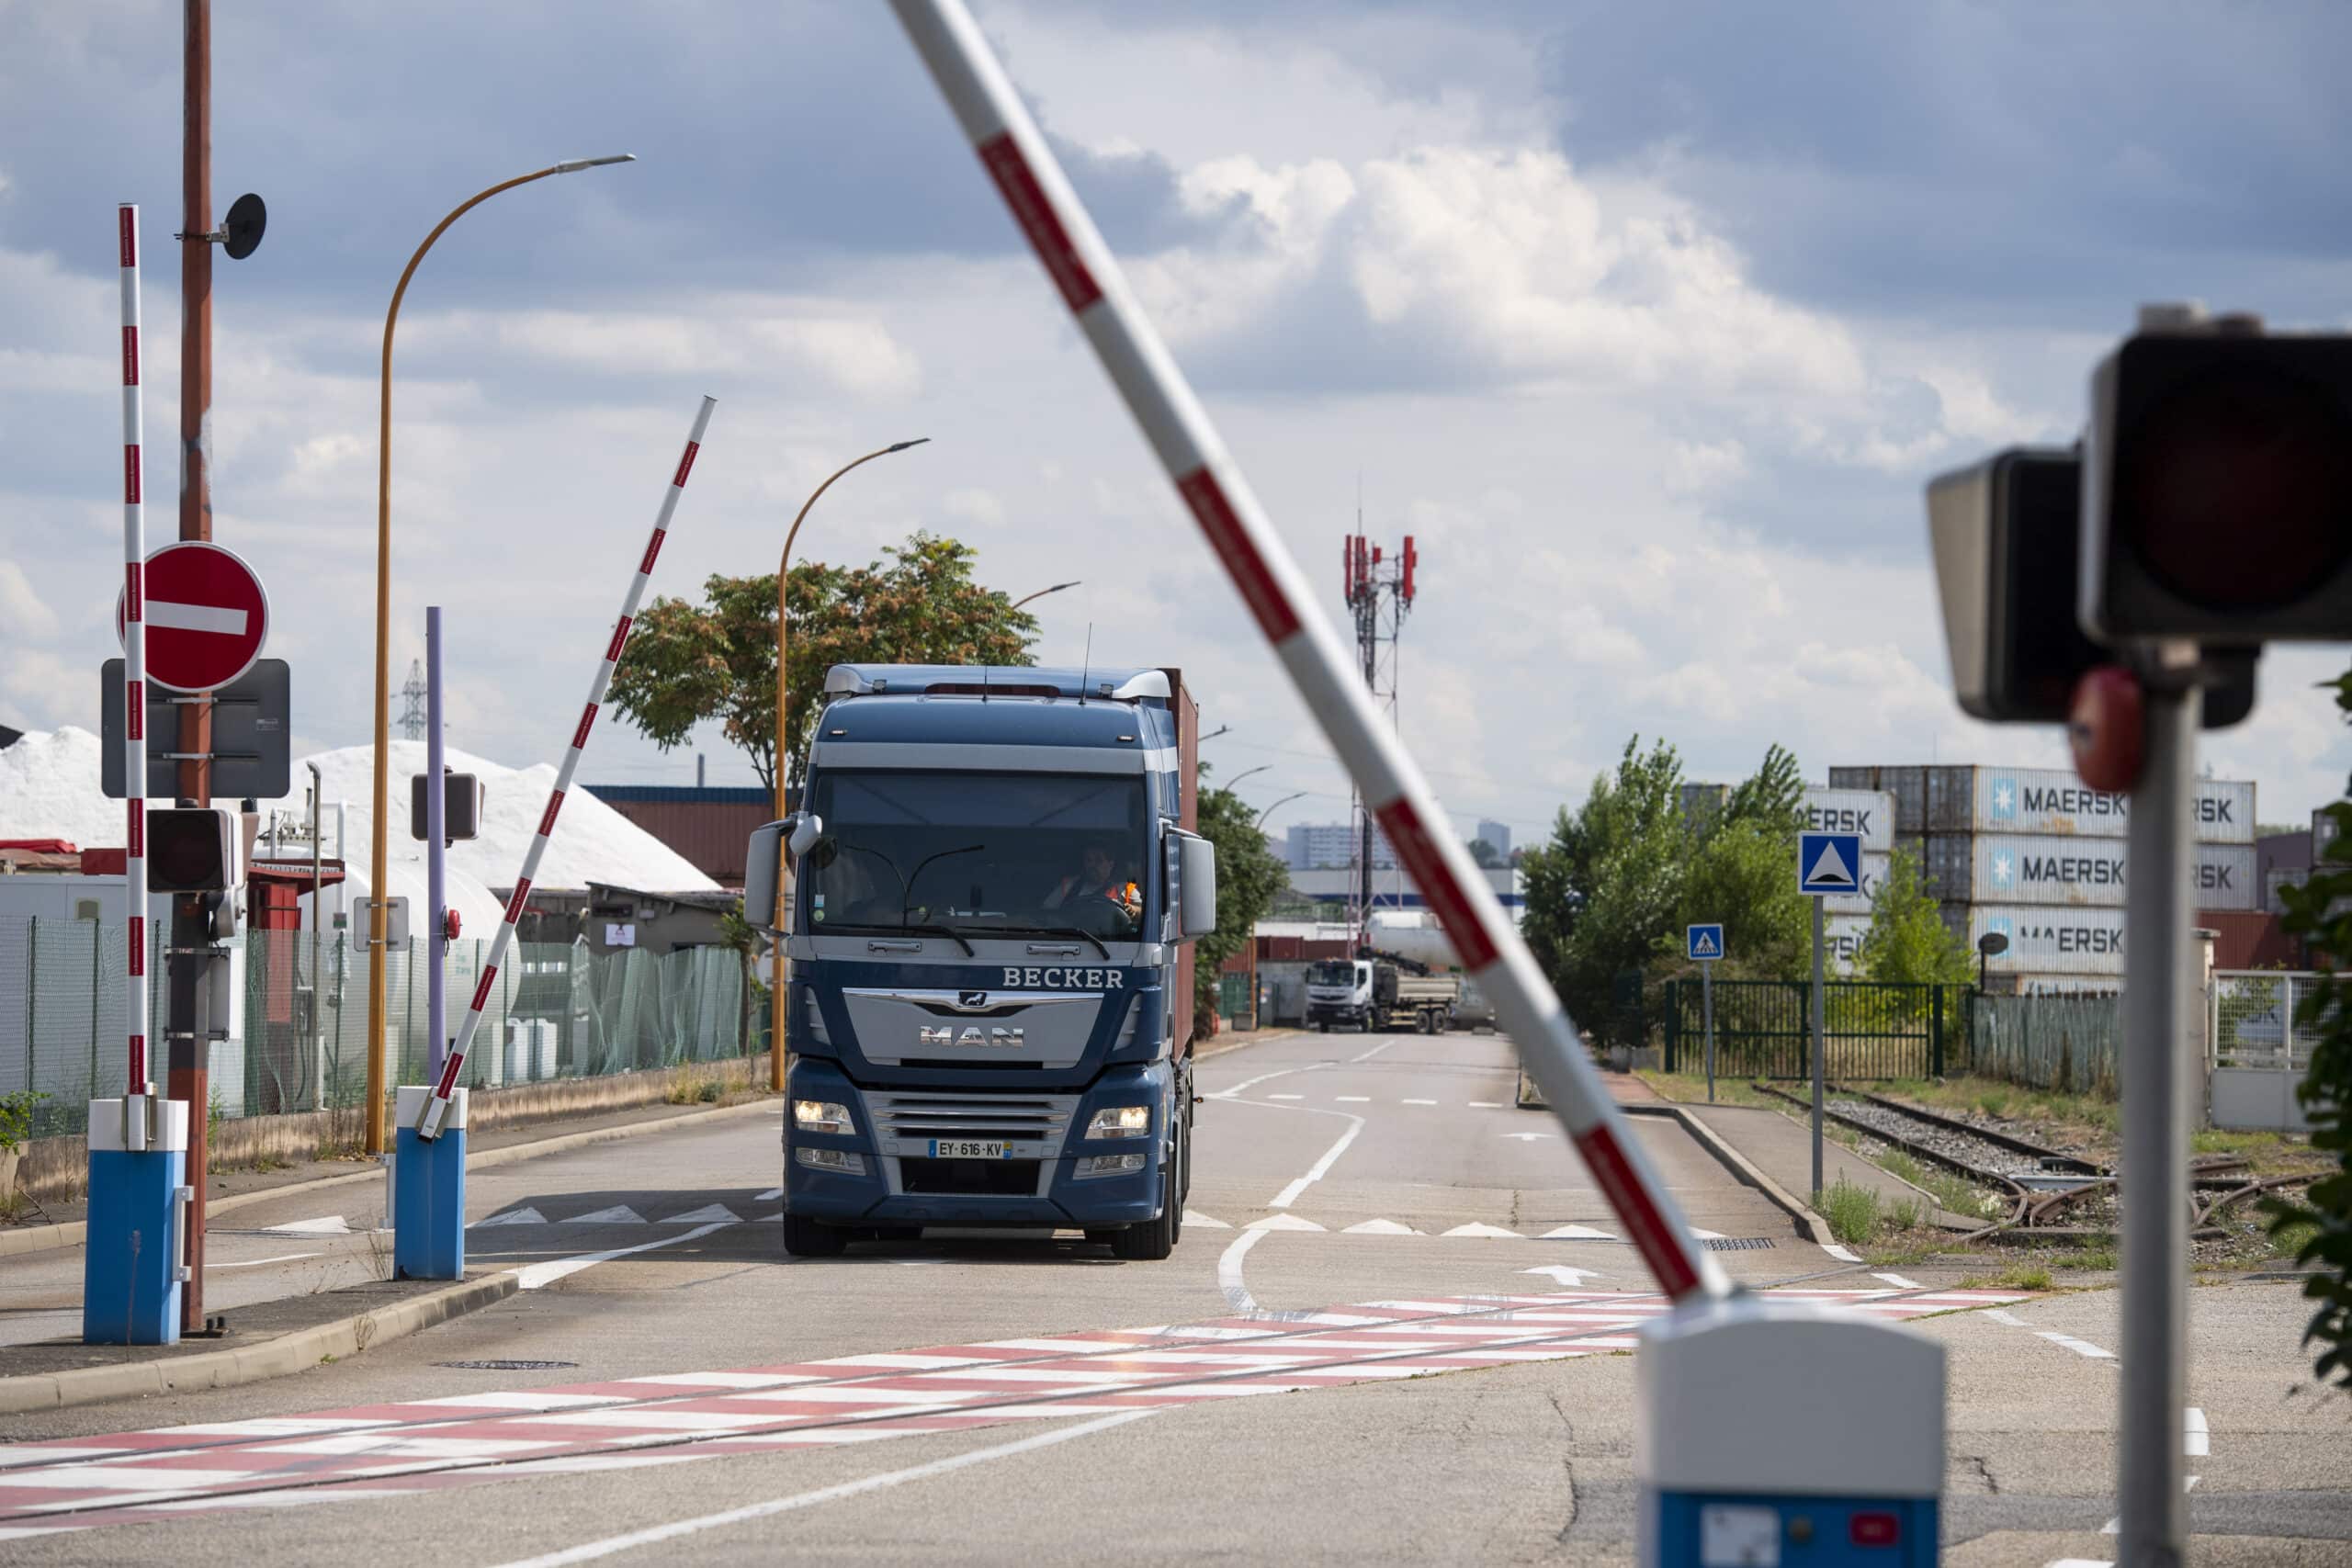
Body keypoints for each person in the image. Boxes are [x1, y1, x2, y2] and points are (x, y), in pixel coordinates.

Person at [1044, 841, 1119, 911]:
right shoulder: (1069, 885)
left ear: (1110, 865)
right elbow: (1046, 911)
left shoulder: (1120, 891)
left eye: (1098, 860)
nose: (1092, 865)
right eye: (1088, 860)